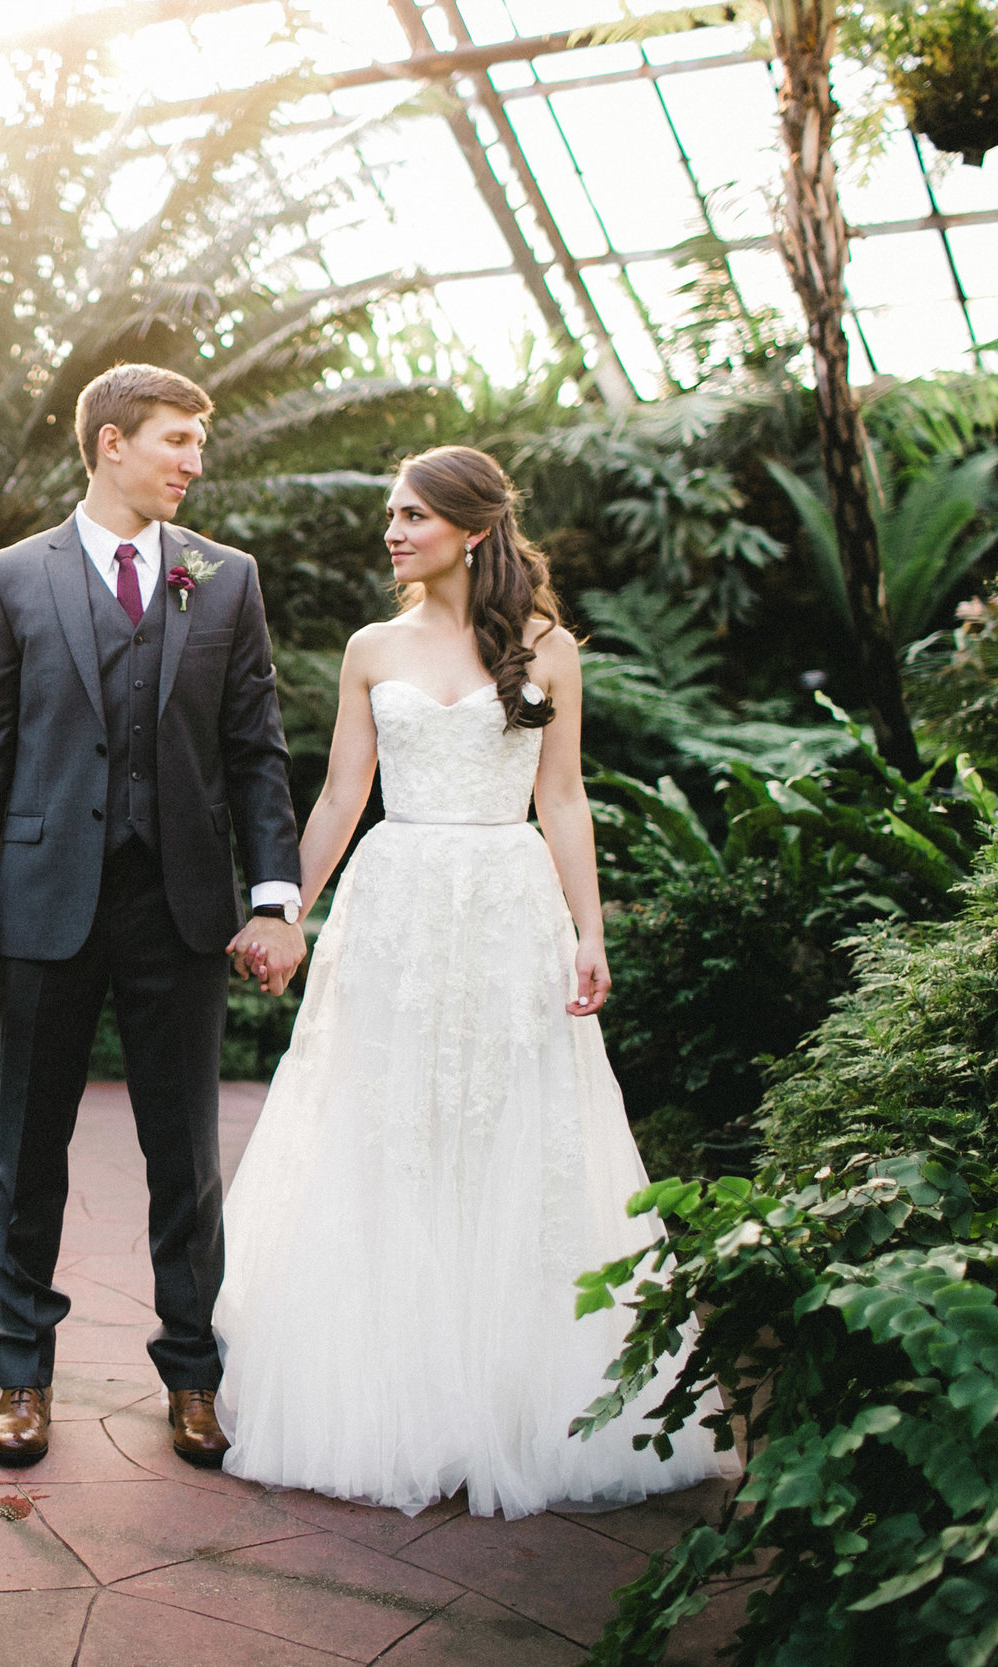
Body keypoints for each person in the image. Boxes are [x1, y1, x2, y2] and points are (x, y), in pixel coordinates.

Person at [211, 445, 733, 1516]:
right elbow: (337, 799)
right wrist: (284, 910)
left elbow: (567, 798)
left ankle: (513, 1396)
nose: (392, 532)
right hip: (395, 904)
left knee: (509, 1129)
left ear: (472, 527)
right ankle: (390, 1393)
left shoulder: (547, 649)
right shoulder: (370, 646)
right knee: (387, 1124)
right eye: (390, 513)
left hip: (505, 903)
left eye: (411, 514)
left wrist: (589, 932)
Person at [0, 363, 306, 1470]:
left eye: (199, 442)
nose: (195, 461)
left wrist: (274, 896)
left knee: (182, 1153)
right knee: (27, 1149)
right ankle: (20, 1378)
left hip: (181, 908)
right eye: (178, 440)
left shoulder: (224, 579)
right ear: (109, 443)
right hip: (47, 903)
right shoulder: (7, 578)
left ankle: (192, 1376)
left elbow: (256, 750)